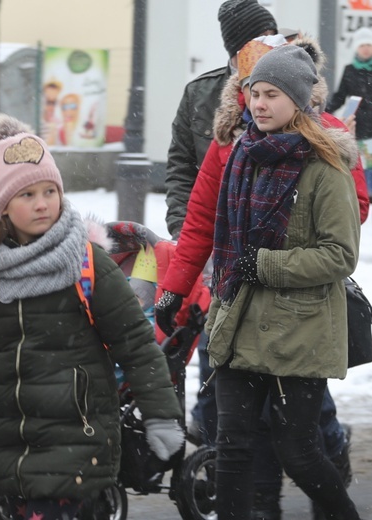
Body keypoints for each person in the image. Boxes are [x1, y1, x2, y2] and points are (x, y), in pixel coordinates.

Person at [0, 113, 184, 520]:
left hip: (78, 447)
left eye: (50, 191)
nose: (42, 203)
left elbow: (136, 345)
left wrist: (161, 415)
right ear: (4, 205)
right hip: (9, 451)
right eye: (27, 195)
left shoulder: (88, 264)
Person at [156, 34, 366, 519]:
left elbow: (340, 254)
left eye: (271, 94)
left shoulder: (327, 162)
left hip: (301, 328)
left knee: (299, 449)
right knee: (231, 448)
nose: (259, 102)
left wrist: (267, 263)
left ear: (298, 98)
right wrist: (174, 291)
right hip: (238, 317)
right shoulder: (237, 153)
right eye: (253, 92)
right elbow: (201, 225)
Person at [164, 0, 278, 454]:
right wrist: (183, 227)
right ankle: (217, 452)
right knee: (216, 347)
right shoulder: (201, 95)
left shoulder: (289, 87)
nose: (268, 48)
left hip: (269, 255)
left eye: (272, 37)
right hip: (214, 249)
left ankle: (308, 451)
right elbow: (181, 169)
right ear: (234, 51)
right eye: (256, 41)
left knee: (281, 374)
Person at [327, 26, 372, 194]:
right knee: (360, 162)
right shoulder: (350, 70)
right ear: (356, 47)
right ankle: (363, 195)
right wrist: (324, 111)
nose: (366, 48)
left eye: (369, 44)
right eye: (362, 45)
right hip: (357, 125)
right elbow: (340, 96)